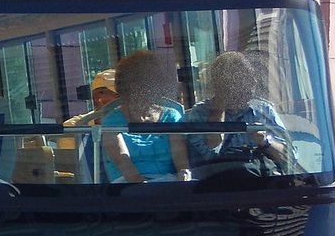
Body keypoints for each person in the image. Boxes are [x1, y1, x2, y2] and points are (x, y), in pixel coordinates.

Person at [97, 50, 191, 183]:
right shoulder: (111, 122)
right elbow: (125, 166)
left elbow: (180, 160)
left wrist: (184, 175)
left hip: (169, 183)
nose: (145, 89)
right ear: (126, 87)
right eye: (139, 84)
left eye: (150, 83)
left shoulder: (172, 116)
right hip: (128, 188)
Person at [185, 51, 287, 172]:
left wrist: (265, 141)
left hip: (260, 181)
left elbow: (289, 158)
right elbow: (208, 155)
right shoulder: (200, 113)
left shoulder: (263, 110)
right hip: (218, 183)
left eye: (252, 78)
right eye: (244, 79)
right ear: (225, 84)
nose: (253, 84)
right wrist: (219, 108)